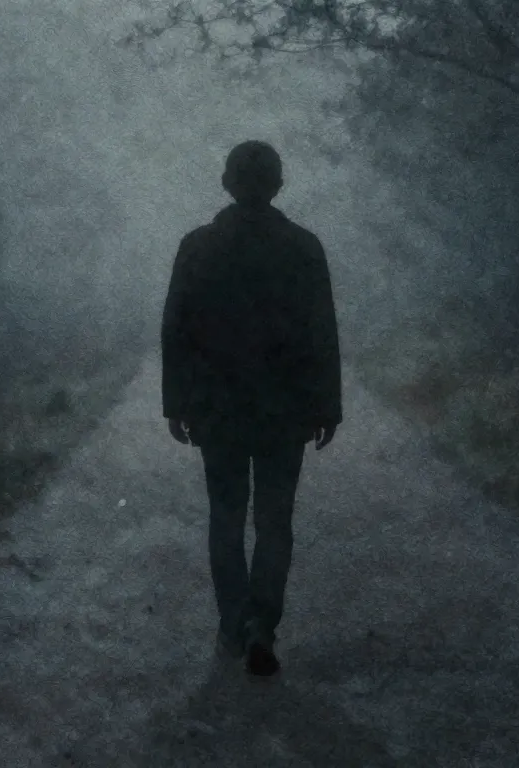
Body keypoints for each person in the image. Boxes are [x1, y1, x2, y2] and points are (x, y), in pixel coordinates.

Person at [160, 140, 342, 677]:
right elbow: (322, 333)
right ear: (278, 185)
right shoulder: (303, 247)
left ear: (227, 183)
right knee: (275, 520)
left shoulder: (198, 247)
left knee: (226, 516)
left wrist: (177, 403)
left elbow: (175, 330)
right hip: (284, 410)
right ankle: (263, 623)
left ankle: (233, 623)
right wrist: (326, 405)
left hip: (218, 409)